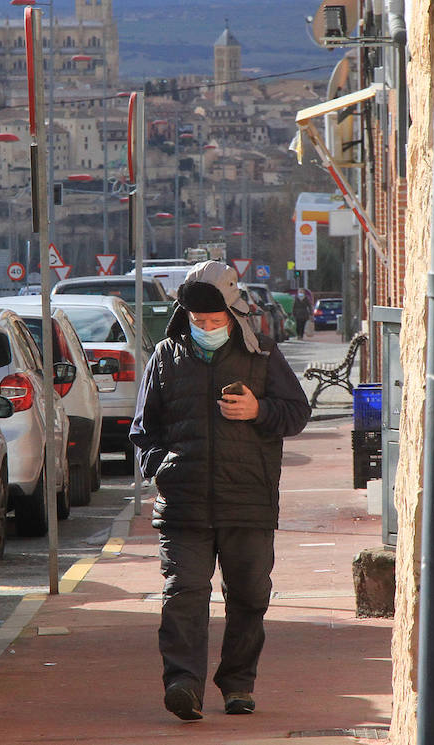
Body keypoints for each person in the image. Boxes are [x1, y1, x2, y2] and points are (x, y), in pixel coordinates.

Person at [130, 261, 311, 721]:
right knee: (184, 593)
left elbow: (295, 413)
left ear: (234, 314)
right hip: (182, 504)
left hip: (247, 502)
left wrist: (259, 409)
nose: (206, 329)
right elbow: (142, 431)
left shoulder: (263, 355)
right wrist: (162, 468)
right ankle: (183, 685)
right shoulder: (166, 356)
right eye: (198, 322)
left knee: (249, 596)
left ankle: (237, 685)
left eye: (215, 321)